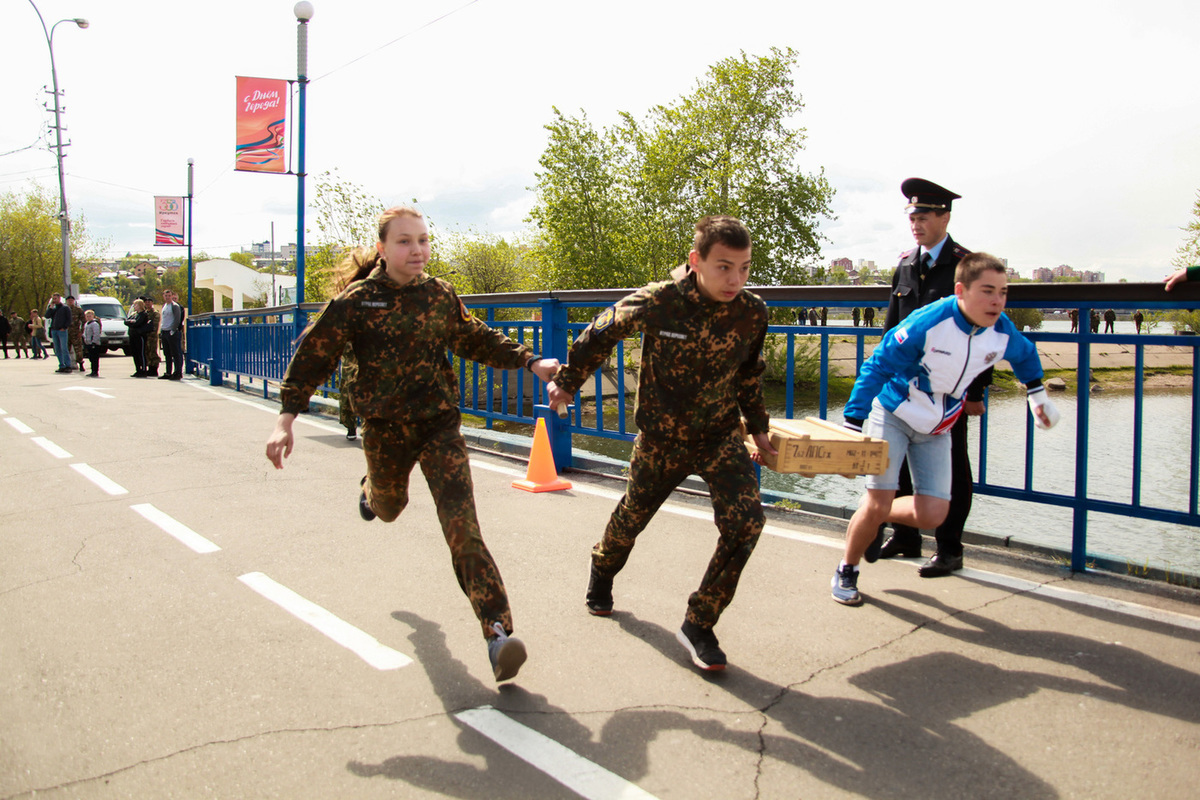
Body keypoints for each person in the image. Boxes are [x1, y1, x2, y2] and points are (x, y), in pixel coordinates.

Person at [265, 205, 559, 683]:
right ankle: (370, 494)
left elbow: (474, 338)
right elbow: (313, 356)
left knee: (463, 528)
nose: (417, 250)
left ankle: (498, 634)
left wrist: (530, 361)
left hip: (438, 425)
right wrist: (286, 420)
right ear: (382, 249)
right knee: (389, 506)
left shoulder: (440, 294)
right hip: (384, 428)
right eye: (405, 241)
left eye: (422, 240)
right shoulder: (358, 301)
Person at [546, 215, 776, 672]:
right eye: (724, 267)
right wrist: (568, 383)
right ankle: (603, 568)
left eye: (745, 268)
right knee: (632, 517)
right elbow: (600, 331)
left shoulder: (752, 311)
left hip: (718, 436)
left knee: (747, 523)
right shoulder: (661, 301)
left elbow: (749, 374)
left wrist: (759, 426)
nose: (736, 279)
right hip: (661, 439)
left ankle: (699, 622)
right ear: (696, 261)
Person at [832, 253, 1059, 605]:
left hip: (938, 427)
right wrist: (852, 421)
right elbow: (877, 365)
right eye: (987, 291)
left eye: (1003, 291)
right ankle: (847, 570)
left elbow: (1025, 355)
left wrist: (1037, 395)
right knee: (879, 500)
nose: (997, 301)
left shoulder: (1000, 330)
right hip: (893, 413)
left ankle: (878, 512)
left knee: (934, 513)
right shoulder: (929, 321)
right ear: (960, 291)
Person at [875, 178, 986, 578]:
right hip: (905, 387)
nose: (915, 224)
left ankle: (950, 547)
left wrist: (975, 390)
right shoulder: (906, 264)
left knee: (951, 466)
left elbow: (984, 328)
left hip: (947, 388)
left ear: (945, 216)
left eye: (923, 217)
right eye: (912, 217)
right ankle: (906, 538)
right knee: (900, 461)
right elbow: (892, 328)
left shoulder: (966, 265)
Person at [159, 290, 185, 380]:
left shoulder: (174, 306)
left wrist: (173, 330)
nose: (167, 297)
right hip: (165, 331)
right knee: (167, 353)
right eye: (166, 296)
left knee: (176, 353)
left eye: (169, 295)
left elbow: (177, 319)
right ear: (164, 296)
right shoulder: (164, 306)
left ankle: (178, 372)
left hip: (172, 332)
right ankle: (168, 372)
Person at [124, 298, 149, 377]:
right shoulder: (134, 314)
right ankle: (138, 369)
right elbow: (126, 321)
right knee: (134, 353)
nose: (134, 306)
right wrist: (131, 322)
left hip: (140, 336)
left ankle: (144, 370)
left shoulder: (143, 314)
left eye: (136, 305)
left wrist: (132, 323)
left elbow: (138, 323)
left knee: (141, 353)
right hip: (132, 335)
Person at [48, 293, 73, 373]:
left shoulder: (65, 308)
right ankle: (61, 365)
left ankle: (68, 365)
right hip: (54, 330)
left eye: (55, 298)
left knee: (64, 348)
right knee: (57, 349)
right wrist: (50, 308)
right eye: (53, 298)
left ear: (59, 299)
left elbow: (69, 319)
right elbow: (47, 316)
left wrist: (64, 327)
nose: (54, 300)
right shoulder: (54, 309)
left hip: (62, 330)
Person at [143, 296, 162, 377]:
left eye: (149, 302)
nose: (147, 303)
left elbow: (155, 325)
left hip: (152, 336)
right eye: (146, 302)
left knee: (153, 352)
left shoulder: (155, 313)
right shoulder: (145, 313)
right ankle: (149, 368)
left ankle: (154, 369)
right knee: (147, 352)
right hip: (146, 335)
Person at [82, 309, 103, 377]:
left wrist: (94, 342)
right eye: (87, 316)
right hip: (88, 343)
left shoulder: (95, 324)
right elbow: (84, 333)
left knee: (95, 358)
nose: (88, 317)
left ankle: (95, 371)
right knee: (91, 358)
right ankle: (92, 371)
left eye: (90, 316)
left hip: (94, 344)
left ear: (93, 316)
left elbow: (96, 333)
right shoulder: (86, 324)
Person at [67, 295, 85, 372]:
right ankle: (67, 365)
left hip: (75, 332)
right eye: (69, 300)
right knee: (66, 349)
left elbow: (84, 321)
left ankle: (81, 364)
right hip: (66, 333)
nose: (70, 302)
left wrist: (81, 331)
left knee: (78, 350)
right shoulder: (64, 310)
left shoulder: (78, 310)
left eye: (71, 300)